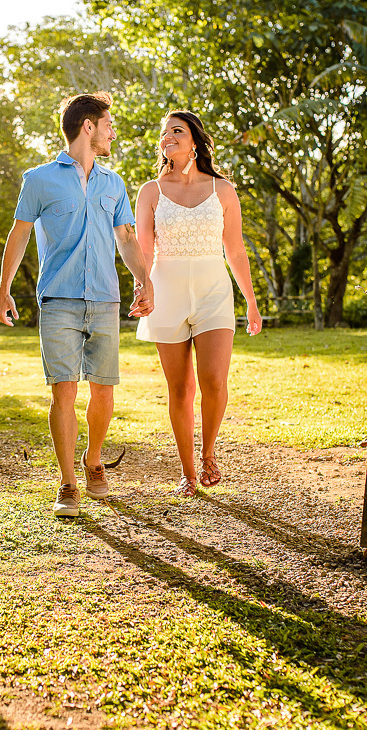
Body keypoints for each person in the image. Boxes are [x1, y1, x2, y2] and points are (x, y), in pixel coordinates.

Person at [0, 92, 154, 518]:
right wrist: (4, 287)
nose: (112, 132)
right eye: (108, 124)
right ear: (89, 127)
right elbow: (20, 234)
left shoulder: (113, 183)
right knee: (63, 391)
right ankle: (68, 482)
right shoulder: (39, 179)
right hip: (59, 300)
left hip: (105, 298)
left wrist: (144, 279)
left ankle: (94, 460)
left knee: (103, 390)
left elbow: (126, 237)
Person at [135, 110, 262, 496]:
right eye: (164, 133)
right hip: (166, 291)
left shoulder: (222, 190)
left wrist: (251, 302)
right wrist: (143, 288)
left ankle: (209, 453)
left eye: (177, 131)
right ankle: (188, 472)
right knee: (180, 389)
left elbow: (236, 251)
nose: (168, 137)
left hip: (213, 291)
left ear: (194, 142)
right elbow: (142, 250)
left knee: (213, 381)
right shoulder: (150, 192)